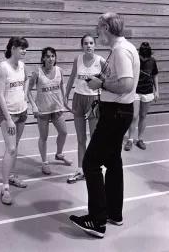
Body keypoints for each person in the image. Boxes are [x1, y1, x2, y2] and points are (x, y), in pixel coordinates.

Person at [69, 12, 140, 238]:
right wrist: (104, 81)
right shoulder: (121, 49)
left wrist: (102, 84)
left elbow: (127, 84)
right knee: (113, 161)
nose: (97, 32)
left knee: (90, 162)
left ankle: (97, 221)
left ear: (106, 28)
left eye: (98, 28)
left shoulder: (120, 50)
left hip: (115, 114)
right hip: (118, 112)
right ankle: (113, 213)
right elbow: (120, 80)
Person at [64, 34, 105, 184]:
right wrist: (66, 95)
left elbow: (109, 80)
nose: (88, 45)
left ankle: (93, 167)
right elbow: (72, 77)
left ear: (95, 45)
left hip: (93, 101)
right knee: (81, 138)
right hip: (78, 99)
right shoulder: (78, 59)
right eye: (86, 43)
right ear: (82, 45)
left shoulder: (101, 61)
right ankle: (80, 169)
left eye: (91, 43)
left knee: (94, 138)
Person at [27, 47, 72, 175]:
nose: (50, 59)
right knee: (44, 136)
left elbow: (62, 83)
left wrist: (65, 96)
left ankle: (59, 154)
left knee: (63, 132)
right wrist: (33, 106)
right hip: (42, 110)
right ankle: (44, 162)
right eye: (47, 56)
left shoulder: (59, 70)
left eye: (53, 56)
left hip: (57, 107)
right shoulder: (37, 73)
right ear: (43, 58)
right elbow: (28, 90)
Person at [0, 37, 29, 205]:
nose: (24, 51)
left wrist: (24, 95)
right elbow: (0, 95)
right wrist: (8, 119)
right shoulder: (3, 67)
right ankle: (5, 187)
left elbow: (26, 79)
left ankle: (12, 176)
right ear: (13, 48)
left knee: (15, 147)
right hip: (8, 114)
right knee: (10, 148)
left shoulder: (22, 65)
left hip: (22, 111)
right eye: (22, 48)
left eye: (25, 49)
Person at [124, 42, 159, 151]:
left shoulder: (152, 61)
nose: (143, 60)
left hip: (148, 91)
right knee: (134, 116)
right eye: (142, 58)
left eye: (145, 58)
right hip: (135, 91)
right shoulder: (135, 60)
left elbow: (155, 75)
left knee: (143, 115)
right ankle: (130, 140)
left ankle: (140, 139)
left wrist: (157, 90)